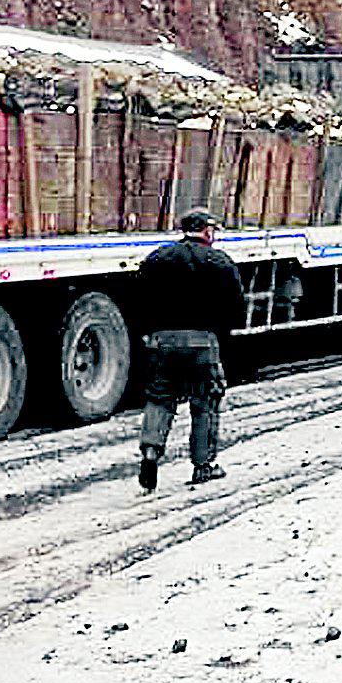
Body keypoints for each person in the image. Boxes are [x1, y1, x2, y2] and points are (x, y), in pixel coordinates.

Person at [136, 208, 246, 491]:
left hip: (162, 341)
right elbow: (236, 305)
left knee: (160, 398)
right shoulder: (220, 261)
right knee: (205, 401)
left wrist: (149, 333)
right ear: (207, 231)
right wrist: (221, 334)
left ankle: (150, 451)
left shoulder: (157, 259)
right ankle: (203, 466)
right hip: (202, 342)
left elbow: (137, 299)